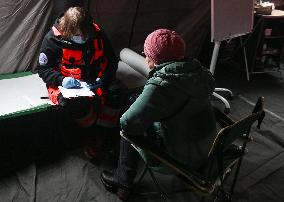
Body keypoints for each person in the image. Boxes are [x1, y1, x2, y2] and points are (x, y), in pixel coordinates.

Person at [101, 29, 217, 201]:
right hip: (209, 148)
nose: (145, 57)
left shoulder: (162, 86)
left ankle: (123, 180)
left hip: (178, 156)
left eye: (146, 54)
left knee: (128, 127)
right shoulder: (202, 73)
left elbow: (128, 123)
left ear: (154, 59)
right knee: (138, 104)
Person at [36, 7, 121, 159]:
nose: (82, 38)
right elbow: (43, 69)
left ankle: (102, 135)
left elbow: (112, 61)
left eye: (85, 35)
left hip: (96, 81)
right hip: (67, 84)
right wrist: (63, 80)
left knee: (117, 93)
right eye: (77, 35)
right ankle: (91, 133)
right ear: (67, 29)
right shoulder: (52, 39)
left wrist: (103, 79)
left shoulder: (97, 34)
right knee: (74, 104)